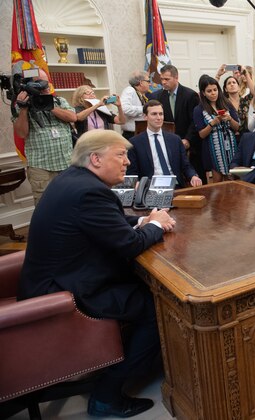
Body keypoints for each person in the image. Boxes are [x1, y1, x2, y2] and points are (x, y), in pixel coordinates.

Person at [18, 129, 176, 417]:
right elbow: (128, 245)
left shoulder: (73, 180)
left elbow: (107, 221)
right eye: (120, 155)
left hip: (53, 279)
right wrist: (154, 226)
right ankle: (107, 394)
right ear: (95, 159)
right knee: (157, 305)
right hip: (63, 293)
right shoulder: (89, 192)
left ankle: (122, 360)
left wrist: (144, 218)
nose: (127, 162)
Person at [12, 68, 77, 204]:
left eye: (45, 83)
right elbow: (21, 133)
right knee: (45, 205)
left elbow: (73, 117)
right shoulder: (20, 106)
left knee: (70, 201)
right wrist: (24, 109)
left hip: (66, 163)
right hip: (41, 167)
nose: (43, 87)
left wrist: (49, 104)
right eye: (38, 84)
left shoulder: (59, 101)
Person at [127, 100, 202, 188]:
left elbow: (186, 165)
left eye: (161, 114)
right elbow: (132, 173)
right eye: (154, 114)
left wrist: (193, 176)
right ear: (145, 117)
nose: (159, 117)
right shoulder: (135, 143)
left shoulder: (175, 140)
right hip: (151, 188)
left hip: (175, 186)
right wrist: (137, 184)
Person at [151, 64, 205, 183]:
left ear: (176, 78)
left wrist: (188, 139)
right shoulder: (158, 96)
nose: (163, 82)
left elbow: (195, 121)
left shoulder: (190, 95)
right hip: (169, 145)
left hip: (191, 145)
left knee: (195, 179)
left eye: (167, 79)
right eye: (162, 79)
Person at [193, 75, 240, 183]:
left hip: (231, 146)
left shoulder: (226, 103)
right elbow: (201, 134)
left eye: (215, 90)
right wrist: (212, 123)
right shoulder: (199, 109)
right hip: (213, 149)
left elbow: (237, 127)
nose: (213, 93)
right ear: (203, 93)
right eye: (209, 91)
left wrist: (229, 119)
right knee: (217, 182)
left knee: (232, 180)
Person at [120, 70, 150, 139]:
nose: (150, 84)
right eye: (148, 81)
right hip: (131, 135)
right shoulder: (130, 90)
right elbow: (124, 109)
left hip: (140, 133)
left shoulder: (141, 94)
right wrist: (144, 109)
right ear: (141, 83)